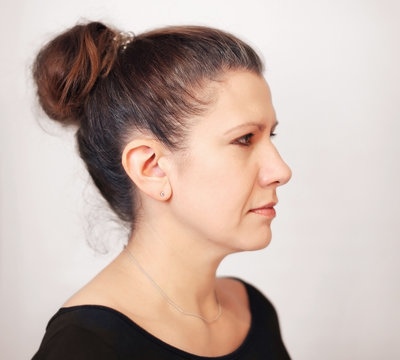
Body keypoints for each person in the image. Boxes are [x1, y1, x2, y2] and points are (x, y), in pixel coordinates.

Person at [31, 21, 292, 359]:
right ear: (151, 168)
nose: (281, 171)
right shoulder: (85, 345)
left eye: (269, 136)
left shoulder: (254, 312)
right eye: (244, 139)